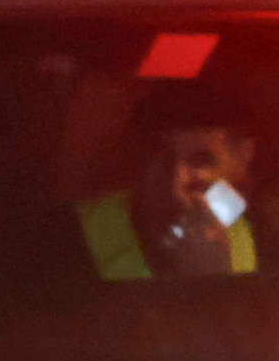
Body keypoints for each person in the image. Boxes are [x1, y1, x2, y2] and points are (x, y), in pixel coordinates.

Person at [80, 111, 265, 279]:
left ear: (242, 158)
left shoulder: (248, 240)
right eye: (161, 159)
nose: (175, 189)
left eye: (201, 160)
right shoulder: (78, 235)